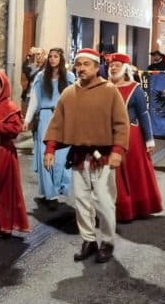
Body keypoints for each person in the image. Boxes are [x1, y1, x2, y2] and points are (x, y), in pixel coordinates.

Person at [43, 48, 129, 263]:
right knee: (81, 201)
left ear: (96, 67)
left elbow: (121, 123)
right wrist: (50, 149)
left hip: (104, 156)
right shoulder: (69, 93)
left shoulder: (110, 91)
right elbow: (57, 123)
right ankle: (88, 241)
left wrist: (118, 151)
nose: (80, 68)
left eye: (86, 64)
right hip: (80, 157)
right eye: (78, 64)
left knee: (105, 202)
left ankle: (108, 241)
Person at [109, 53, 163, 222]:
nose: (113, 68)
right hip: (109, 135)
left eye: (116, 65)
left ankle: (134, 207)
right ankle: (114, 207)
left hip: (131, 136)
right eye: (111, 65)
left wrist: (149, 139)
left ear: (124, 68)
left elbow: (143, 113)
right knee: (112, 174)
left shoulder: (135, 88)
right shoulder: (105, 87)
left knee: (132, 172)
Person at [23, 47, 75, 210]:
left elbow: (75, 100)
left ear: (61, 59)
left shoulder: (69, 77)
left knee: (61, 156)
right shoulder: (40, 77)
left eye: (55, 56)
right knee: (45, 154)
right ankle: (49, 194)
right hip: (45, 118)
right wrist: (27, 119)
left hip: (63, 118)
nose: (52, 59)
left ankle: (59, 186)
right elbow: (34, 101)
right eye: (51, 56)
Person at [0, 69, 30, 235]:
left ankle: (5, 225)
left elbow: (15, 129)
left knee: (4, 192)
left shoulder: (10, 107)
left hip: (3, 153)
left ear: (3, 87)